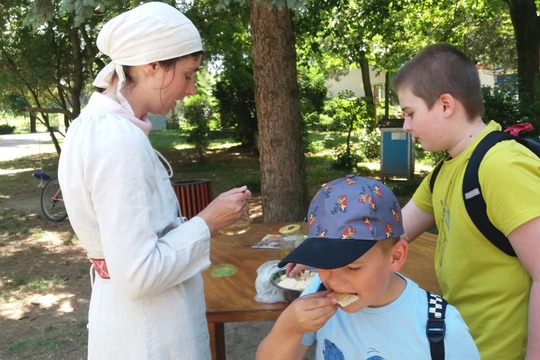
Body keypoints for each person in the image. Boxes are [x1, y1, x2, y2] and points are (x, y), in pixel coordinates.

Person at [58, 3, 251, 359]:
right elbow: (138, 274)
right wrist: (206, 223)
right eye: (187, 74)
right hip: (149, 336)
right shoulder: (117, 141)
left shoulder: (96, 126)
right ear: (152, 66)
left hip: (132, 323)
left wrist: (206, 222)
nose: (191, 89)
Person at [393, 43, 540, 359]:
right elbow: (395, 231)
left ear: (445, 104)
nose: (406, 127)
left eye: (410, 114)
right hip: (461, 345)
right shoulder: (446, 169)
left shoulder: (500, 165)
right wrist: (325, 253)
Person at [257, 175, 479, 359]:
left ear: (396, 257)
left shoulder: (442, 327)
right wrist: (288, 329)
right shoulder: (316, 290)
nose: (334, 281)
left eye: (353, 267)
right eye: (325, 265)